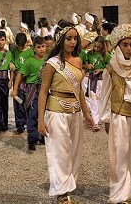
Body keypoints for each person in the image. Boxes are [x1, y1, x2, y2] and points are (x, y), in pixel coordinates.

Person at [38, 20, 93, 203]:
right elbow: (43, 92)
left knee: (75, 152)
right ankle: (62, 194)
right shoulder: (52, 64)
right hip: (56, 112)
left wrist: (87, 114)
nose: (72, 42)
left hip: (75, 112)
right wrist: (40, 120)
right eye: (69, 38)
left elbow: (80, 91)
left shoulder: (78, 60)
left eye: (75, 39)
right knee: (59, 152)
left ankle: (68, 187)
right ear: (60, 39)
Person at [99, 24, 131, 204]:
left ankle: (127, 184)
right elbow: (104, 95)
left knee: (130, 154)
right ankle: (120, 194)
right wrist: (105, 118)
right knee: (118, 153)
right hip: (117, 116)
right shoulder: (111, 68)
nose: (128, 48)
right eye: (125, 45)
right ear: (118, 46)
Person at [11, 36, 46, 151]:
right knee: (32, 115)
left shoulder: (47, 61)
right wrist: (15, 89)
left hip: (45, 89)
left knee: (44, 114)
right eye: (39, 47)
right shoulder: (29, 61)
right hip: (33, 89)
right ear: (34, 48)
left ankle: (43, 136)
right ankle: (32, 139)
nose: (41, 49)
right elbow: (20, 74)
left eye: (43, 46)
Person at [84, 36, 112, 131]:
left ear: (102, 47)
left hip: (101, 80)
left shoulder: (106, 55)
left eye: (99, 47)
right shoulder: (89, 54)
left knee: (100, 100)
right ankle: (95, 122)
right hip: (91, 79)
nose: (96, 49)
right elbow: (84, 64)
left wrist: (101, 69)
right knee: (93, 100)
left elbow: (110, 67)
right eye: (95, 46)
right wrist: (87, 66)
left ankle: (99, 118)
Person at [11, 33, 34, 134]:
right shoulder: (14, 51)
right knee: (18, 100)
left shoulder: (30, 52)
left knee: (28, 101)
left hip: (27, 79)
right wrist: (11, 64)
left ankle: (28, 121)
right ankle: (20, 123)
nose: (20, 48)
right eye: (18, 46)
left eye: (22, 46)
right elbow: (11, 62)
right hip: (17, 79)